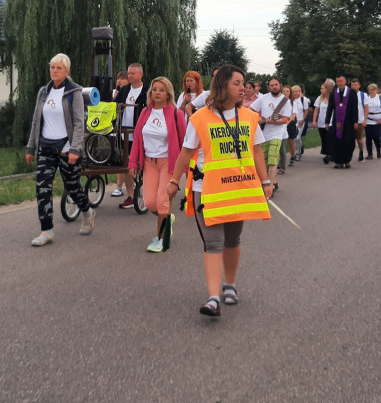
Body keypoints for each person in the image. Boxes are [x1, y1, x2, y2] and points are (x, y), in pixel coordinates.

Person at [167, 65, 273, 317]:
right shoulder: (200, 118)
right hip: (208, 190)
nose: (243, 88)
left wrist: (266, 182)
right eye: (237, 83)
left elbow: (257, 151)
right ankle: (213, 297)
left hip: (238, 188)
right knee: (213, 242)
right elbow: (185, 152)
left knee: (233, 240)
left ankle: (230, 285)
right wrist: (174, 182)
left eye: (244, 84)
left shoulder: (248, 117)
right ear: (223, 85)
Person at [25, 53, 96, 246]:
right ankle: (46, 230)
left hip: (66, 148)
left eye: (58, 68)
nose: (54, 71)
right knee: (42, 189)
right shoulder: (43, 92)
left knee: (73, 187)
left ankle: (87, 212)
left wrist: (75, 149)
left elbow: (80, 124)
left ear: (67, 71)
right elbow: (35, 121)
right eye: (52, 67)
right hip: (46, 147)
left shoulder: (74, 93)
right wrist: (31, 147)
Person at [129, 77, 186, 252]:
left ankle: (160, 239)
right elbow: (137, 139)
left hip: (168, 163)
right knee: (149, 202)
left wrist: (187, 167)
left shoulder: (175, 114)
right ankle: (167, 217)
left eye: (161, 90)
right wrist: (133, 162)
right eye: (154, 89)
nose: (157, 93)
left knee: (162, 201)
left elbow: (185, 141)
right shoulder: (145, 112)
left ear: (168, 93)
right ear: (150, 92)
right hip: (148, 162)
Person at [112, 62, 148, 208]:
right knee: (127, 164)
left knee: (144, 165)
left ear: (141, 74)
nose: (130, 76)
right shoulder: (124, 90)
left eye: (133, 73)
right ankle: (130, 195)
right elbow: (115, 108)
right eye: (129, 73)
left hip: (141, 133)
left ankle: (147, 192)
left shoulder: (148, 91)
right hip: (124, 133)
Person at [249, 77, 291, 189]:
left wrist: (272, 121)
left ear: (280, 85)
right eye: (272, 85)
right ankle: (272, 182)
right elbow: (250, 110)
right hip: (263, 134)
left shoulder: (285, 101)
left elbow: (285, 119)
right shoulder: (263, 98)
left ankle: (270, 186)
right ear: (269, 87)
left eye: (276, 84)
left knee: (272, 160)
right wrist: (259, 118)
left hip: (277, 134)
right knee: (264, 162)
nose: (274, 87)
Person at [325, 76, 361, 168]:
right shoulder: (333, 93)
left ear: (345, 81)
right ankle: (338, 161)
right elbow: (330, 108)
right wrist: (327, 121)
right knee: (336, 141)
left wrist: (355, 121)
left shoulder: (352, 93)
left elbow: (355, 108)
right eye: (338, 81)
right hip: (336, 122)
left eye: (341, 81)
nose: (339, 83)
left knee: (348, 141)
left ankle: (347, 160)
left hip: (348, 121)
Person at [364, 83, 381, 159]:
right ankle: (370, 154)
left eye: (373, 89)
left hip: (378, 120)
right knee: (368, 137)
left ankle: (378, 149)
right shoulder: (366, 98)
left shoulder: (380, 98)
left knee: (375, 136)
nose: (371, 91)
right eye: (370, 90)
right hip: (368, 120)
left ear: (376, 90)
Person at [349, 79, 369, 162]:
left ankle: (361, 152)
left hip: (359, 120)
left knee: (359, 138)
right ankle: (348, 155)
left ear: (359, 86)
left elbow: (366, 108)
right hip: (349, 120)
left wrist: (365, 120)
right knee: (349, 139)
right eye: (352, 85)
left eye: (355, 85)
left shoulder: (363, 95)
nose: (353, 86)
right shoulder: (347, 94)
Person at [314, 79, 333, 164]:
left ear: (327, 89)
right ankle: (328, 153)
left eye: (322, 89)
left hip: (331, 122)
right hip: (321, 122)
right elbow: (316, 110)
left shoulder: (333, 98)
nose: (321, 90)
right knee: (324, 139)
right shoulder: (319, 98)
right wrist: (314, 120)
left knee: (330, 138)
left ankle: (330, 155)